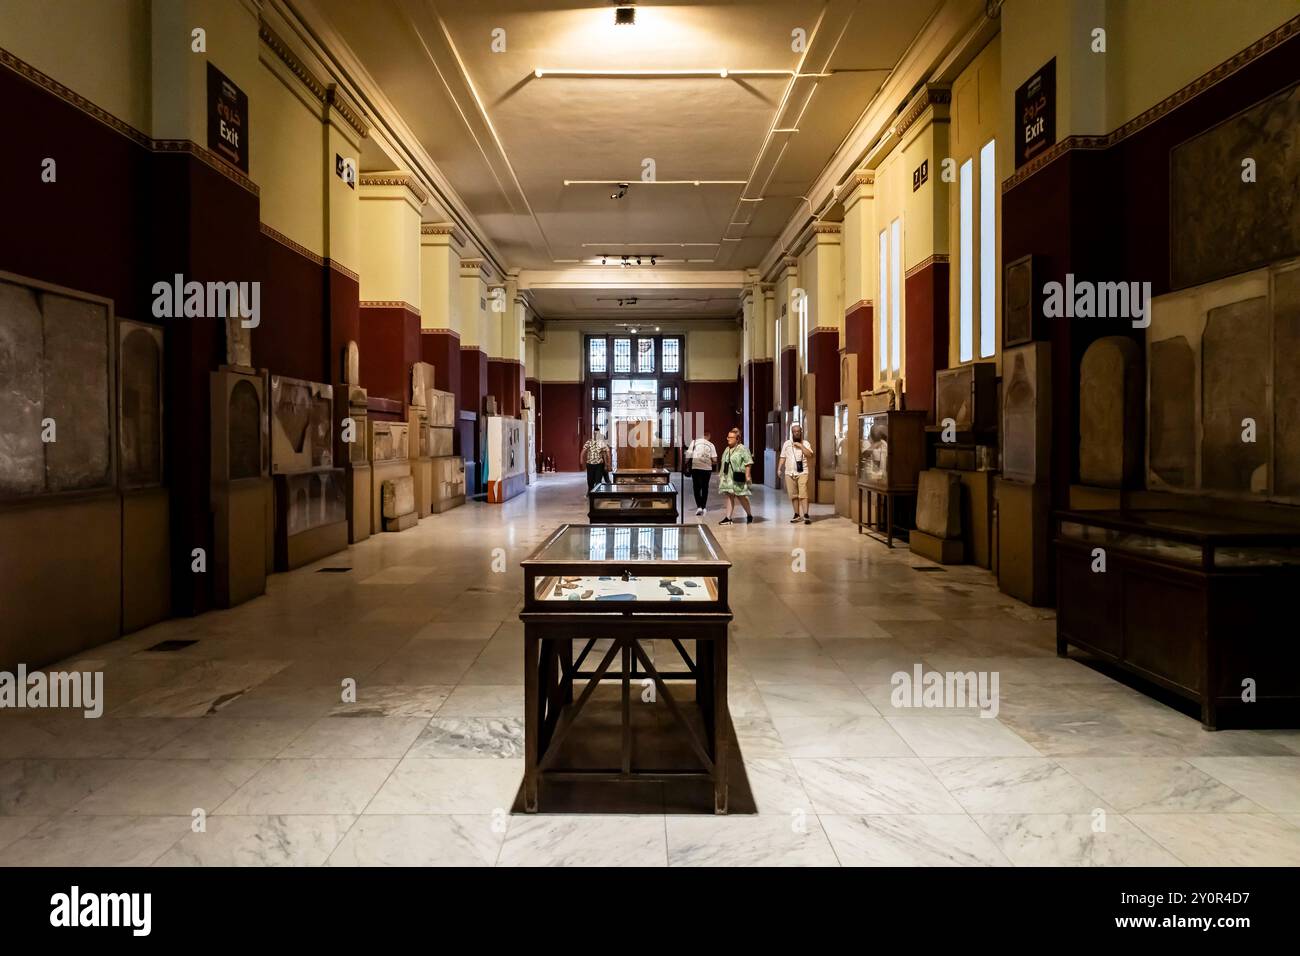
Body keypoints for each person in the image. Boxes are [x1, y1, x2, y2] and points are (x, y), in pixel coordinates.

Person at [777, 422, 814, 524]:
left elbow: (810, 455)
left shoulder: (806, 443)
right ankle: (797, 514)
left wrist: (801, 446)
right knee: (793, 495)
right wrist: (779, 468)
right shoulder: (787, 444)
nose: (796, 433)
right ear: (791, 433)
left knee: (803, 493)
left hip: (803, 472)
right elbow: (782, 457)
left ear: (801, 432)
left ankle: (806, 515)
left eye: (798, 431)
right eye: (794, 432)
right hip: (789, 472)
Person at [718, 427, 754, 525]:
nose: (728, 439)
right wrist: (721, 474)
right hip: (727, 477)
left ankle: (749, 514)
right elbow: (724, 462)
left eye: (731, 437)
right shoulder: (727, 449)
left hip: (738, 477)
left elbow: (748, 463)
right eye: (728, 437)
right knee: (729, 496)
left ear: (737, 439)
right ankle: (728, 518)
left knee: (741, 496)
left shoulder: (743, 449)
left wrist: (747, 475)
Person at [684, 430, 718, 516]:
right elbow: (715, 460)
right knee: (705, 487)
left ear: (701, 436)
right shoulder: (711, 445)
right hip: (707, 469)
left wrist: (685, 463)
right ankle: (704, 507)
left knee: (696, 487)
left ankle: (699, 506)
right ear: (709, 436)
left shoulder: (694, 442)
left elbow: (688, 454)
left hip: (696, 467)